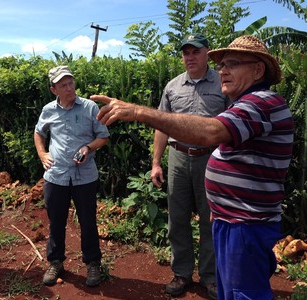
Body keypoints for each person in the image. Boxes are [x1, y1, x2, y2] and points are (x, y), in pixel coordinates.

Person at [91, 35, 294, 299]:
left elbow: (213, 132)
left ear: (258, 70)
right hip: (227, 209)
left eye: (232, 64)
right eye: (222, 65)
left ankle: (208, 278)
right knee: (183, 226)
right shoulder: (185, 87)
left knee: (245, 291)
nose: (224, 71)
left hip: (245, 222)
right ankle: (183, 273)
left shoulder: (262, 103)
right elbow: (232, 146)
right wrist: (220, 201)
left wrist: (138, 111)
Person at [151, 33, 230, 298]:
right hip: (178, 157)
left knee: (212, 219)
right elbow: (161, 126)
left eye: (195, 51)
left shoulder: (223, 84)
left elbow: (235, 124)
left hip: (212, 158)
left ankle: (210, 276)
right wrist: (156, 163)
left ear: (207, 52)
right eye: (186, 52)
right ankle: (182, 273)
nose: (190, 57)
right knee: (177, 218)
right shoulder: (173, 87)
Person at [34, 65, 109, 287]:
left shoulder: (89, 107)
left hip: (85, 176)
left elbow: (103, 137)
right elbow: (39, 133)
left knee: (88, 221)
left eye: (71, 83)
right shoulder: (48, 110)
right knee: (56, 221)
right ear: (53, 89)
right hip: (56, 176)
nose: (69, 88)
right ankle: (56, 262)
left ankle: (93, 263)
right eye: (63, 85)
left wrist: (88, 148)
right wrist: (42, 154)